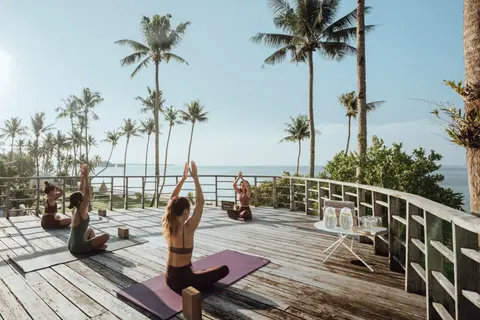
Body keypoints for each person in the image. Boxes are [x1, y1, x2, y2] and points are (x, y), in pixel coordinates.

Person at [163, 161, 229, 292]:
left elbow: (172, 199)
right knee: (224, 269)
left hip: (169, 278)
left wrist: (183, 178)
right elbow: (200, 203)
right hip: (185, 281)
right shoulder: (189, 228)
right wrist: (195, 178)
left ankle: (198, 274)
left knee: (202, 271)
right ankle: (199, 276)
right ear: (186, 212)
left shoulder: (168, 224)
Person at [67, 164, 110, 253]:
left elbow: (81, 192)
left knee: (90, 230)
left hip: (71, 245)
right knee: (106, 236)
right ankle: (96, 247)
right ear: (79, 201)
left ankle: (96, 246)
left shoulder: (76, 209)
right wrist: (86, 176)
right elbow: (87, 193)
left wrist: (82, 178)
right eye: (82, 197)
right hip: (78, 247)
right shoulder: (81, 210)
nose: (83, 196)